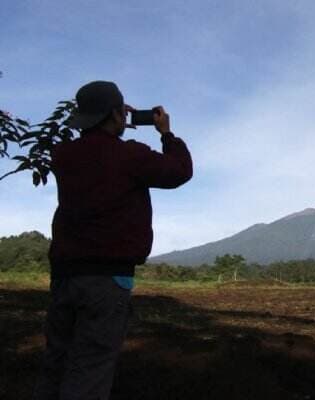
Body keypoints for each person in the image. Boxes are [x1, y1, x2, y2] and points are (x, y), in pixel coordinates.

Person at [33, 80, 193, 400]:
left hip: (64, 276)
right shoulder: (130, 155)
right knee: (90, 368)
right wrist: (166, 134)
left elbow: (94, 152)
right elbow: (179, 171)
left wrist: (114, 120)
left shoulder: (62, 155)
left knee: (58, 361)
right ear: (116, 113)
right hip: (106, 280)